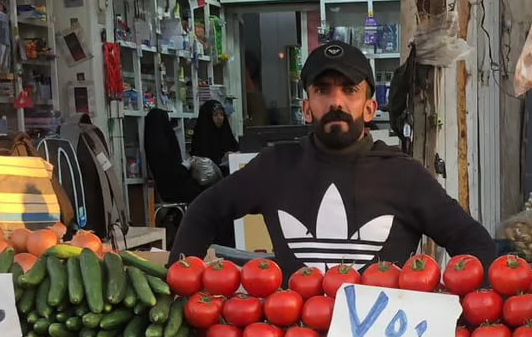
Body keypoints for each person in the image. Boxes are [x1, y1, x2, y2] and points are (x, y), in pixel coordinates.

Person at [168, 41, 496, 275]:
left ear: (370, 108)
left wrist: (460, 312)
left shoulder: (404, 175)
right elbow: (203, 212)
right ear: (307, 107)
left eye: (349, 90)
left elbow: (473, 243)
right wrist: (179, 289)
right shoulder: (275, 166)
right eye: (323, 90)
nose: (336, 101)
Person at [143, 108, 204, 205]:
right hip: (175, 190)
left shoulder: (153, 145)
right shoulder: (162, 148)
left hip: (168, 190)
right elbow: (174, 175)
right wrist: (187, 165)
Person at [191, 100, 240, 168]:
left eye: (221, 114)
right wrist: (221, 160)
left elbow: (237, 150)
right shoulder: (201, 138)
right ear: (208, 117)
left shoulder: (225, 133)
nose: (219, 118)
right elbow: (202, 161)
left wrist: (233, 155)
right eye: (215, 115)